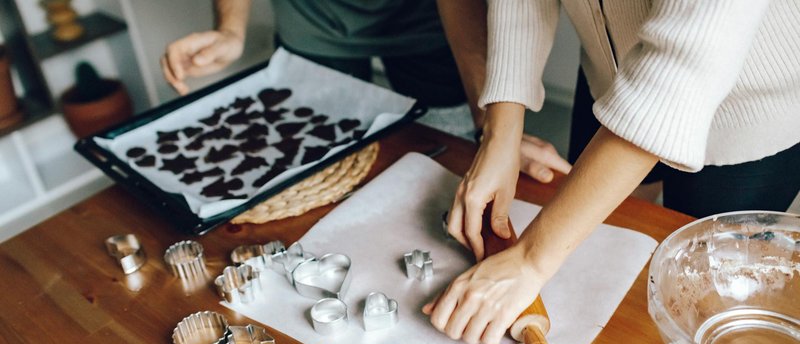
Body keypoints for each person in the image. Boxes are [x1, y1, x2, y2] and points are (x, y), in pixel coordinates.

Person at [425, 0, 800, 344]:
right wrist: (500, 132)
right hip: (611, 75)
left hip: (746, 111)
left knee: (701, 299)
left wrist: (530, 260)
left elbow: (678, 73)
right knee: (594, 255)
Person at [161, 0, 572, 183]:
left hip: (427, 24)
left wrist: (492, 130)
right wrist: (230, 29)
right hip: (313, 23)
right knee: (318, 165)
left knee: (450, 150)